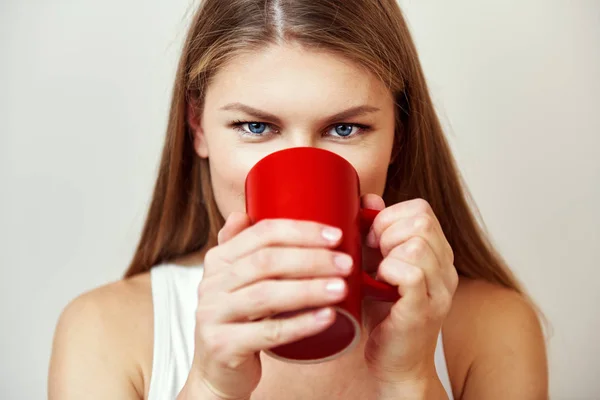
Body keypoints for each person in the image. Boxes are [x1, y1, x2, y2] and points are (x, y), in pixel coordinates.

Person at [48, 0, 548, 398]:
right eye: (256, 126)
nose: (300, 162)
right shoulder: (104, 333)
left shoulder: (494, 329)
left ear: (399, 134)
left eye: (345, 127)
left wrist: (410, 380)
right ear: (197, 126)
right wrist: (210, 387)